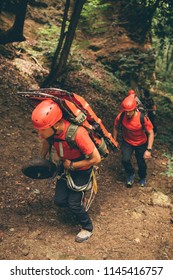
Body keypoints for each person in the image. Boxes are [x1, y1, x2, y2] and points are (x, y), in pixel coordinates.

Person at [31, 99, 101, 243]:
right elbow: (46, 142)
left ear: (56, 125)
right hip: (65, 167)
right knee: (59, 201)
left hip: (81, 170)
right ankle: (78, 202)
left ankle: (87, 227)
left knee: (74, 204)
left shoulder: (78, 134)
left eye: (42, 129)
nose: (40, 133)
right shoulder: (52, 133)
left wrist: (74, 165)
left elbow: (96, 159)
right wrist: (40, 160)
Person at [113, 95, 154, 187]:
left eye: (129, 111)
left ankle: (142, 177)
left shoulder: (142, 118)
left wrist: (149, 149)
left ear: (135, 109)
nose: (127, 114)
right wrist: (114, 140)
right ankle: (130, 174)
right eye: (126, 111)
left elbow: (151, 133)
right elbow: (115, 126)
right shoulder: (121, 116)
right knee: (125, 160)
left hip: (141, 143)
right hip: (127, 141)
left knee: (141, 162)